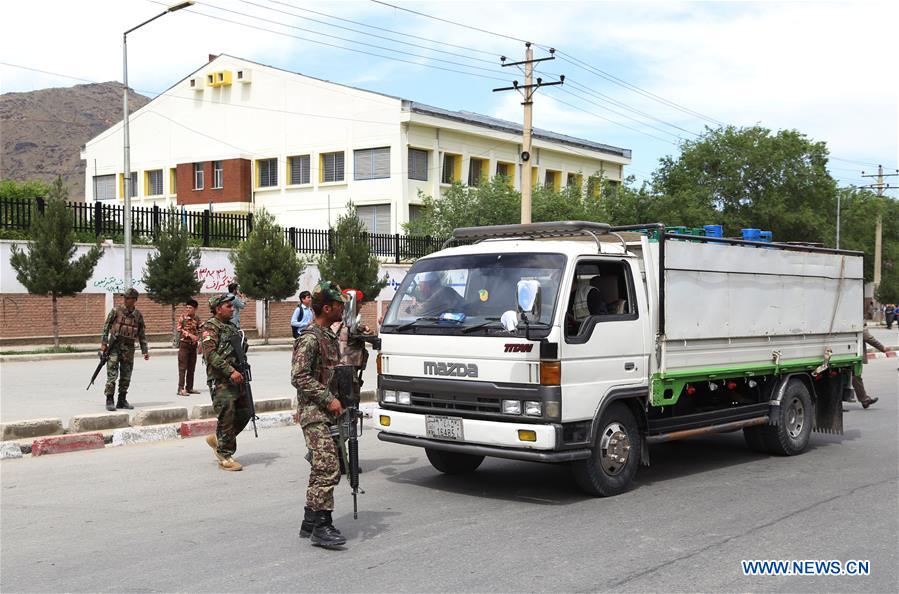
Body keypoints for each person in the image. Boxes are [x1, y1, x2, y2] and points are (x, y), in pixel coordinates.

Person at [291, 280, 349, 549]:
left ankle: (310, 520)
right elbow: (299, 376)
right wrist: (329, 399)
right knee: (327, 468)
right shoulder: (310, 338)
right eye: (338, 305)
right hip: (315, 412)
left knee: (322, 466)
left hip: (328, 412)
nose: (342, 308)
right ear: (327, 307)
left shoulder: (329, 336)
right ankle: (322, 527)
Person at [201, 293, 250, 471]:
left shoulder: (231, 327)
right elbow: (210, 354)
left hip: (238, 376)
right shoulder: (210, 327)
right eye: (228, 306)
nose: (232, 309)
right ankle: (225, 455)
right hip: (221, 379)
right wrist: (230, 371)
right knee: (227, 415)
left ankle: (219, 440)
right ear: (218, 308)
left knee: (246, 412)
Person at [100, 288, 149, 411]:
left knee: (126, 375)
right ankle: (109, 399)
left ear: (134, 300)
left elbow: (141, 333)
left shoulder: (138, 315)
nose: (125, 300)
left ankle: (122, 400)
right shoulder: (116, 311)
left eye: (128, 298)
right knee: (112, 373)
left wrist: (145, 350)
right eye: (125, 298)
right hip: (114, 347)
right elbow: (106, 327)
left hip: (129, 348)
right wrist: (104, 343)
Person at [853, 326, 892, 409]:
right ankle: (864, 399)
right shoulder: (857, 318)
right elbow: (867, 337)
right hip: (853, 354)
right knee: (856, 377)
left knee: (854, 378)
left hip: (846, 352)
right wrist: (882, 348)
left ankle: (864, 399)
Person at [176, 299, 201, 397]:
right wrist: (188, 334)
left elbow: (201, 329)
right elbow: (179, 328)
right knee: (182, 368)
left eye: (190, 308)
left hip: (193, 346)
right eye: (187, 307)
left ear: (195, 309)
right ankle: (180, 388)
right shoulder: (182, 317)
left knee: (191, 368)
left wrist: (199, 342)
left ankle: (189, 387)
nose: (188, 309)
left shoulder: (197, 319)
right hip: (184, 345)